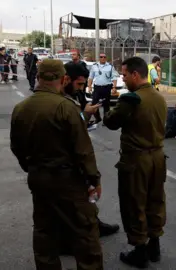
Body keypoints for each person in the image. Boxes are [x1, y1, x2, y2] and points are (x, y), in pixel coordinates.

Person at [10, 59, 103, 270]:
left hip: (38, 177)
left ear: (38, 77)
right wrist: (94, 179)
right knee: (85, 231)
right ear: (63, 79)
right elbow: (83, 151)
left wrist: (32, 167)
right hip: (67, 180)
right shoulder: (66, 108)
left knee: (45, 231)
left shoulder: (20, 108)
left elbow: (17, 147)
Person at [103, 57, 167, 268]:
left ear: (135, 75)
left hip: (137, 160)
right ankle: (154, 246)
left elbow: (112, 123)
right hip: (158, 157)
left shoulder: (132, 99)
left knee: (134, 204)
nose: (122, 78)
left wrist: (105, 111)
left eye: (124, 75)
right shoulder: (158, 97)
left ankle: (140, 251)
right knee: (155, 201)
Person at [60, 62, 120, 245]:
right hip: (66, 162)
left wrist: (87, 113)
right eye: (79, 84)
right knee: (72, 203)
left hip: (73, 157)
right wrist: (84, 115)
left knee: (85, 199)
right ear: (66, 79)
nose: (81, 88)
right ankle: (74, 240)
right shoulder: (59, 102)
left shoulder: (74, 94)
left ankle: (94, 224)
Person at [87, 53, 118, 124]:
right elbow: (91, 77)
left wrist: (114, 87)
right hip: (97, 87)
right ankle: (98, 118)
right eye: (101, 57)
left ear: (106, 58)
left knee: (106, 104)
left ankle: (105, 120)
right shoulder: (94, 66)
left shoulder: (110, 66)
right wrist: (89, 86)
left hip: (106, 87)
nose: (103, 58)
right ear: (99, 58)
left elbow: (114, 77)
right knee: (94, 103)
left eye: (104, 57)